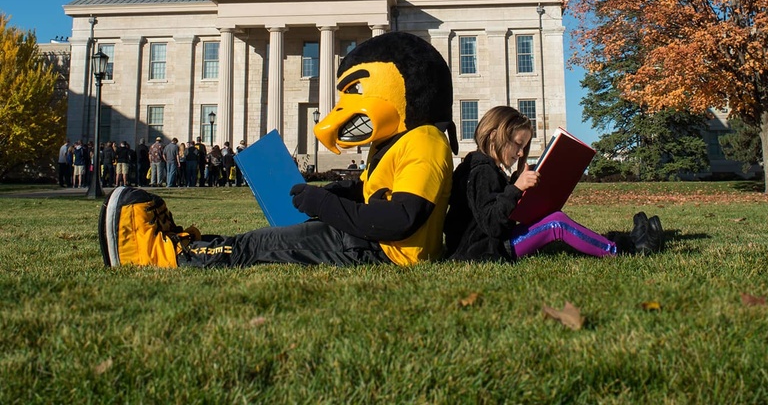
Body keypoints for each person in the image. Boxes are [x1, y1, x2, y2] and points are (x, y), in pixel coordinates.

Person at [99, 31, 457, 269]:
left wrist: (324, 205)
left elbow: (401, 219)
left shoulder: (423, 141)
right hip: (367, 244)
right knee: (260, 241)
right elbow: (370, 191)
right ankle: (185, 245)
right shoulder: (397, 141)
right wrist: (332, 191)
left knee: (257, 247)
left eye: (355, 92)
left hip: (380, 253)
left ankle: (152, 254)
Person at [443, 106, 664, 262]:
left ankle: (625, 241)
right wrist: (516, 188)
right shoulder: (481, 172)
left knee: (552, 219)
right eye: (518, 144)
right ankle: (623, 249)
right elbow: (492, 223)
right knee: (556, 224)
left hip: (487, 245)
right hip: (482, 251)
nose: (521, 153)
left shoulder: (485, 169)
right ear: (494, 136)